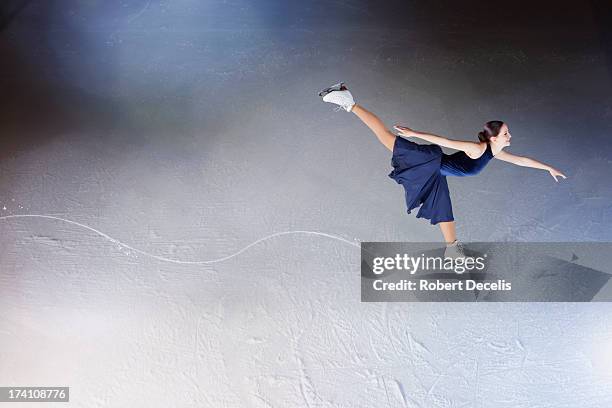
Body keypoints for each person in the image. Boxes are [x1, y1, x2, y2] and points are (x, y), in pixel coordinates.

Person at [319, 82, 567, 257]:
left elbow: (521, 160)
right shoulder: (477, 149)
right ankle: (348, 101)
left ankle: (452, 248)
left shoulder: (494, 151)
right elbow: (445, 141)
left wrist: (548, 168)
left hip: (438, 173)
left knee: (443, 209)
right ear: (492, 138)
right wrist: (414, 133)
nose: (509, 136)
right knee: (384, 136)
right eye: (505, 133)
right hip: (430, 162)